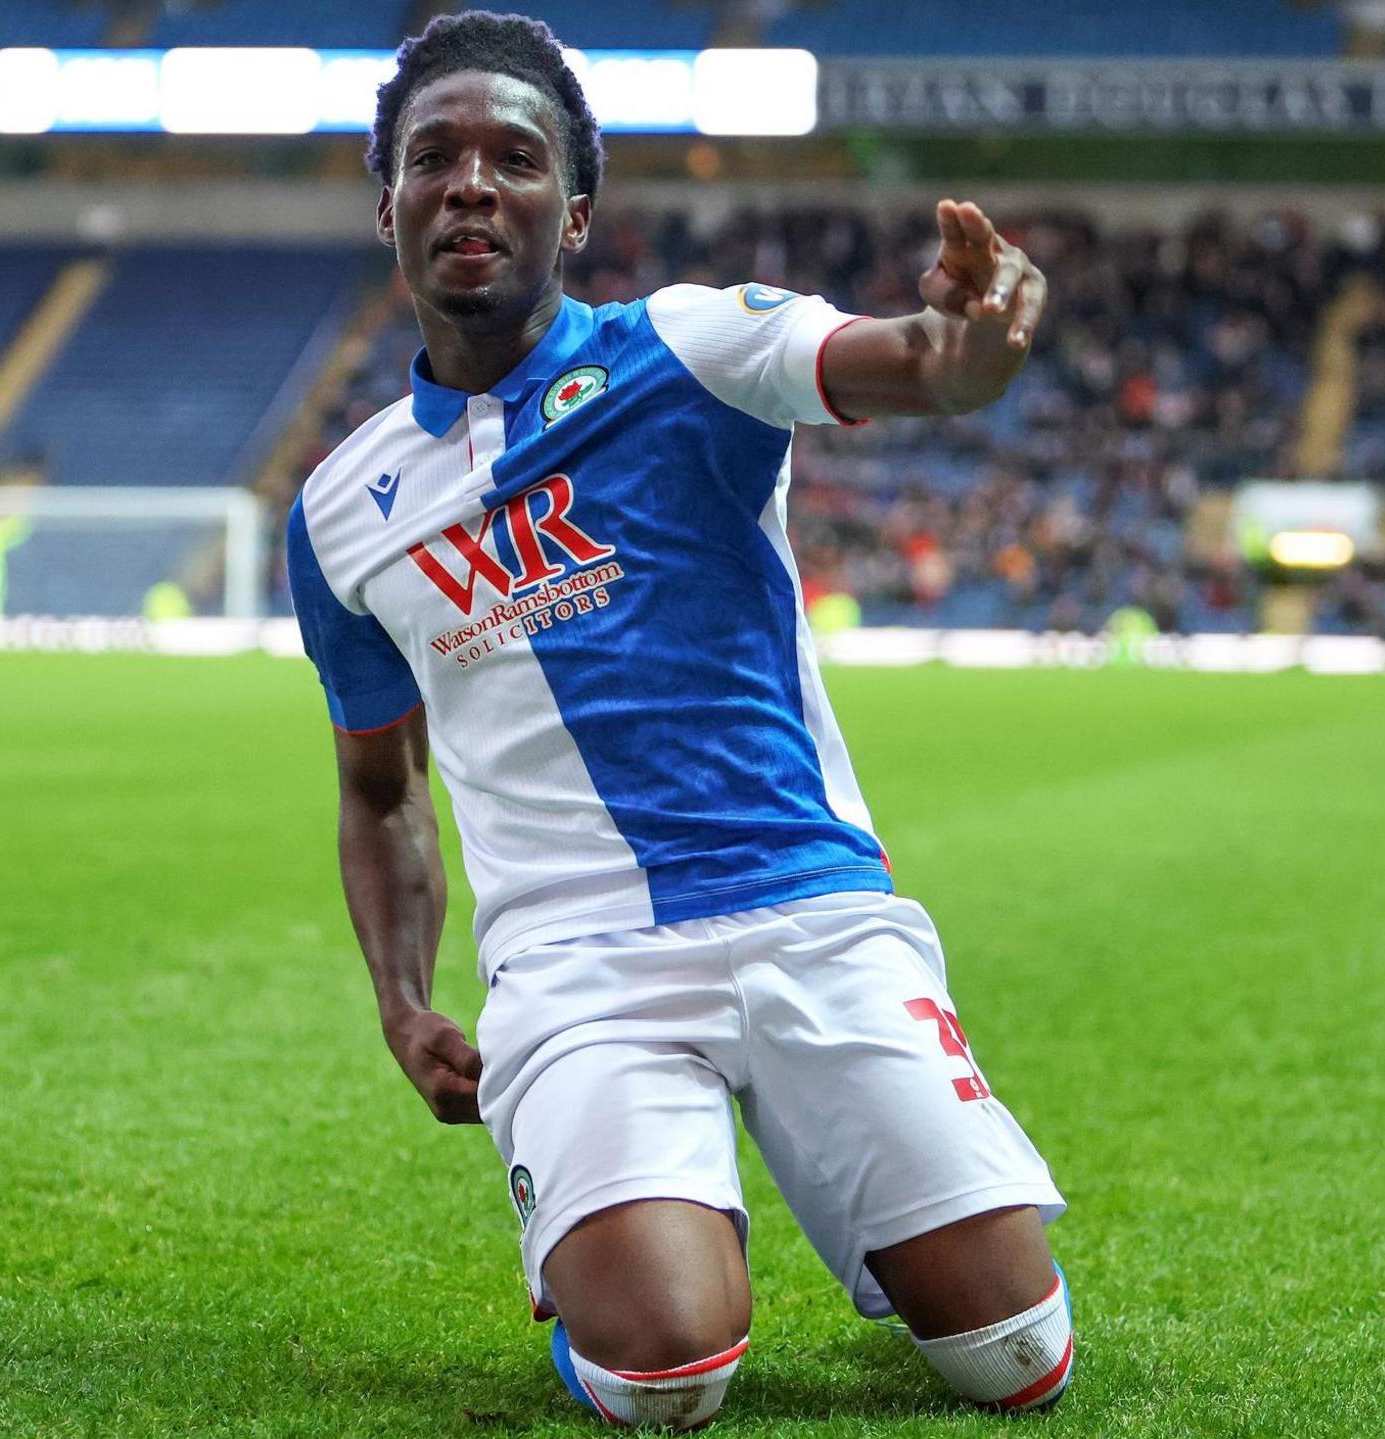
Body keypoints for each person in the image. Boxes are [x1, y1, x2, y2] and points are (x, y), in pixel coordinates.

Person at [286, 14, 1069, 1430]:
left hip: (808, 910)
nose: (470, 184)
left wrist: (967, 352)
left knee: (1014, 1354)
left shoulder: (693, 345)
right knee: (667, 1380)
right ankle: (638, 1227)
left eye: (514, 159)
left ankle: (780, 1185)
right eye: (432, 158)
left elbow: (905, 361)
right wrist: (403, 1001)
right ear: (386, 199)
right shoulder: (342, 508)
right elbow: (377, 787)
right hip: (576, 965)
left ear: (572, 211)